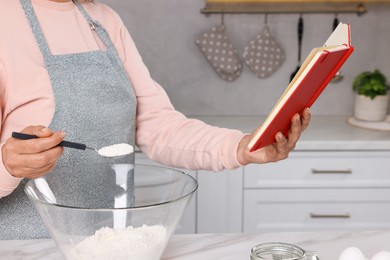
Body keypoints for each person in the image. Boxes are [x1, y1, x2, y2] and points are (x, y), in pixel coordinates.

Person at [0, 0, 311, 239]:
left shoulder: (103, 21)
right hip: (27, 248)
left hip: (110, 243)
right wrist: (7, 164)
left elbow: (160, 127)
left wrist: (241, 147)